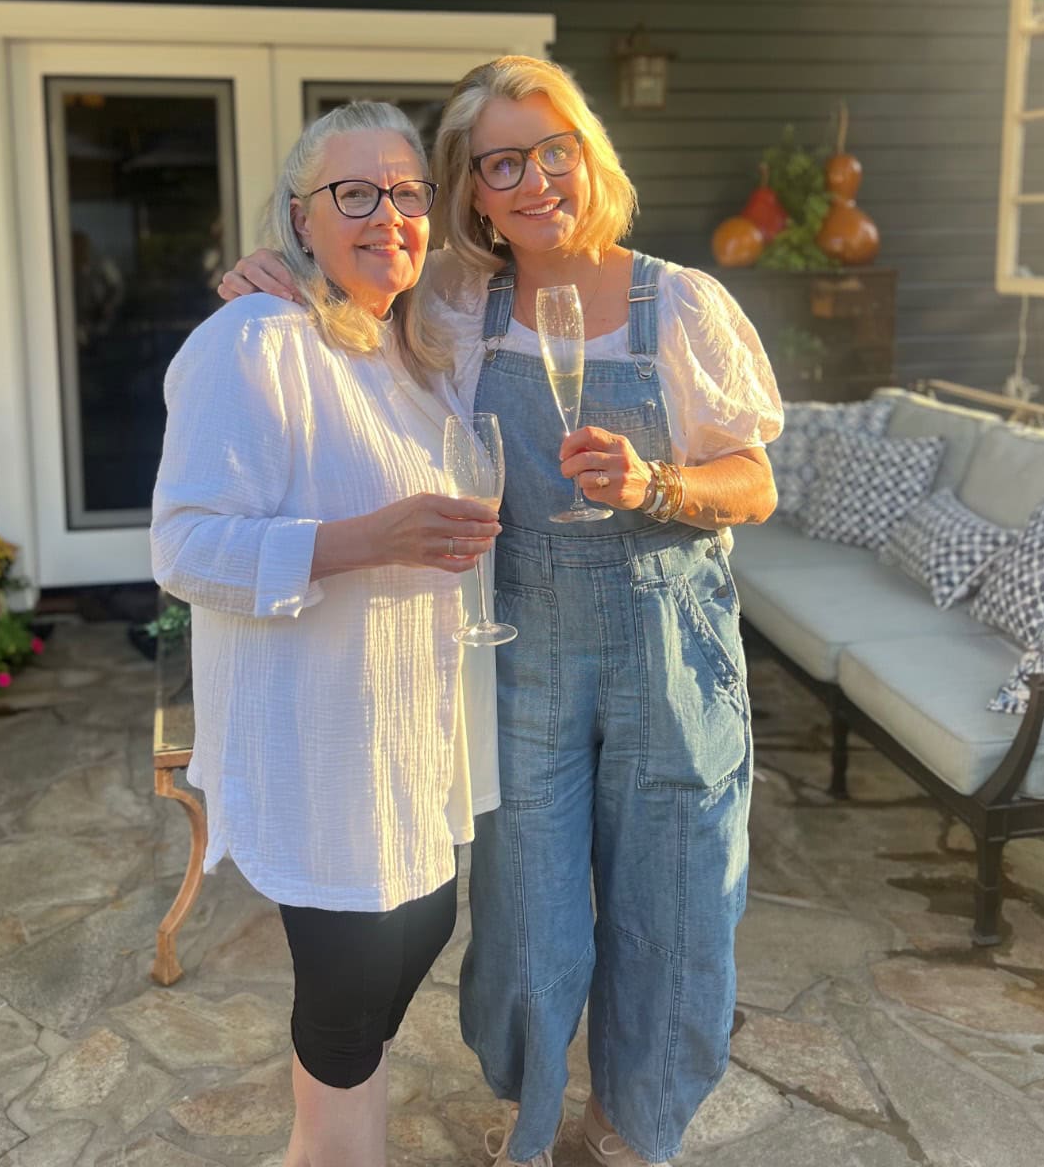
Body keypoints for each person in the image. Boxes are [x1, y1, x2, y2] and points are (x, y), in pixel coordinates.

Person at [220, 58, 782, 1167]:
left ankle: (629, 1129)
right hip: (519, 640)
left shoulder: (685, 303)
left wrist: (657, 484)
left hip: (669, 642)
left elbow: (755, 482)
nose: (534, 181)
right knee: (527, 916)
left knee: (674, 905)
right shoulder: (455, 306)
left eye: (553, 151)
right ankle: (530, 1124)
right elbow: (351, 296)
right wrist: (273, 269)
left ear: (590, 156)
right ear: (473, 189)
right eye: (502, 163)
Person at [151, 100, 502, 1167]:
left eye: (407, 193)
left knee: (426, 930)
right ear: (301, 218)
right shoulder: (253, 339)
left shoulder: (419, 352)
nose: (388, 213)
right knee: (348, 991)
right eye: (355, 193)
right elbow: (186, 546)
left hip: (417, 724)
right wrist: (363, 539)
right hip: (321, 736)